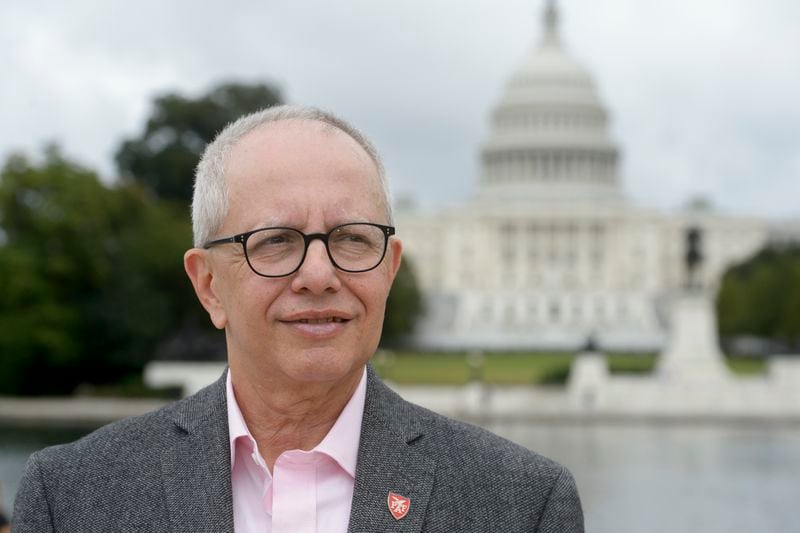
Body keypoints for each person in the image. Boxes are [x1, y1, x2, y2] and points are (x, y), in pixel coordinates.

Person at [12, 105, 584, 532]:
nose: (318, 275)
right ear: (208, 284)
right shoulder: (71, 499)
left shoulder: (522, 505)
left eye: (352, 239)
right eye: (277, 241)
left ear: (389, 268)